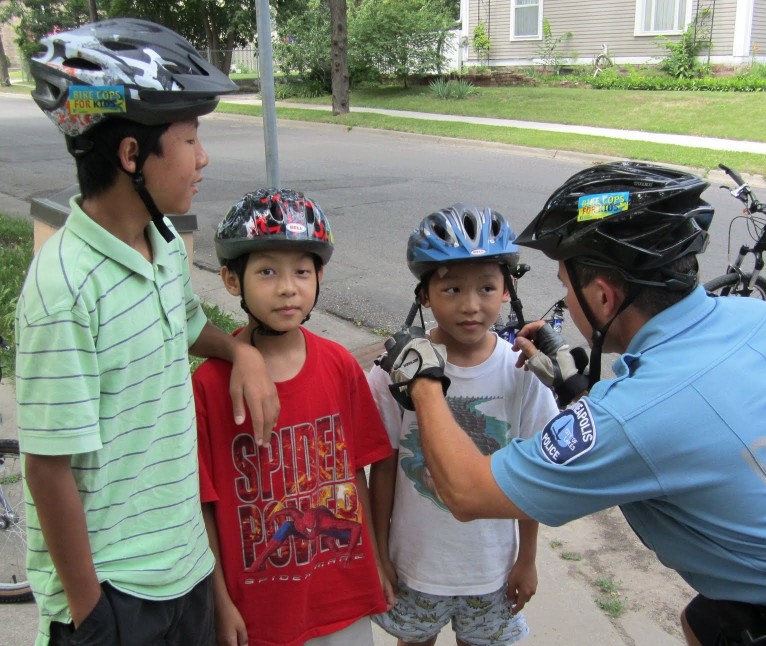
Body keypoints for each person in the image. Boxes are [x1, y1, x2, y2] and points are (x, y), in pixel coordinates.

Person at [379, 162, 766, 646]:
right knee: (706, 622)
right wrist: (576, 390)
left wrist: (425, 381)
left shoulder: (631, 416)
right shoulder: (757, 317)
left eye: (563, 284)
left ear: (602, 295)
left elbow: (467, 493)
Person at [17, 18, 278, 645]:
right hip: (116, 594)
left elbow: (185, 323)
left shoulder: (159, 241)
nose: (203, 157)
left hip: (183, 567)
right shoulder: (64, 291)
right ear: (133, 156)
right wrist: (93, 618)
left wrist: (237, 353)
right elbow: (47, 469)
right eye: (189, 139)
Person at [194, 188, 394, 646]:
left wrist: (376, 561)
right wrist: (218, 601)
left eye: (302, 271)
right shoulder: (208, 385)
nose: (288, 287)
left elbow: (356, 471)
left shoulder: (340, 365)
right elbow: (203, 505)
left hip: (339, 598)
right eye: (266, 271)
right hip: (258, 614)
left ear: (318, 276)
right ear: (230, 279)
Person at [368, 204, 559, 646]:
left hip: (492, 570)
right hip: (415, 567)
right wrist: (380, 555)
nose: (471, 306)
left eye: (487, 287)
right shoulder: (395, 371)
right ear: (423, 296)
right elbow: (381, 467)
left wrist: (527, 558)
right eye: (451, 289)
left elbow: (535, 470)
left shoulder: (521, 370)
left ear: (507, 290)